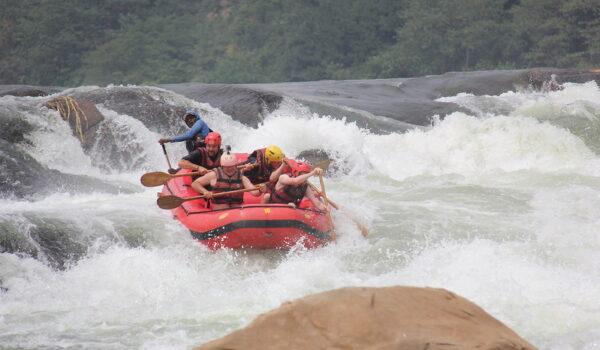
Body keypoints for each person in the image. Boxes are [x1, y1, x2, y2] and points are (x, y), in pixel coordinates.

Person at [191, 152, 262, 210]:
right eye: (226, 167)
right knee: (223, 207)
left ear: (235, 166)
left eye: (231, 166)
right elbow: (195, 184)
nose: (229, 169)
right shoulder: (213, 175)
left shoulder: (242, 178)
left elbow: (255, 193)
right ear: (222, 167)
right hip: (219, 212)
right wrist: (205, 192)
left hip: (237, 211)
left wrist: (260, 190)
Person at [263, 159, 327, 211]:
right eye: (303, 175)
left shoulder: (305, 187)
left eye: (306, 176)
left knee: (291, 205)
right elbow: (295, 181)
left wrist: (324, 208)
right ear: (295, 173)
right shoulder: (283, 177)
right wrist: (312, 173)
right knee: (267, 196)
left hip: (289, 210)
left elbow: (315, 201)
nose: (305, 179)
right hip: (272, 207)